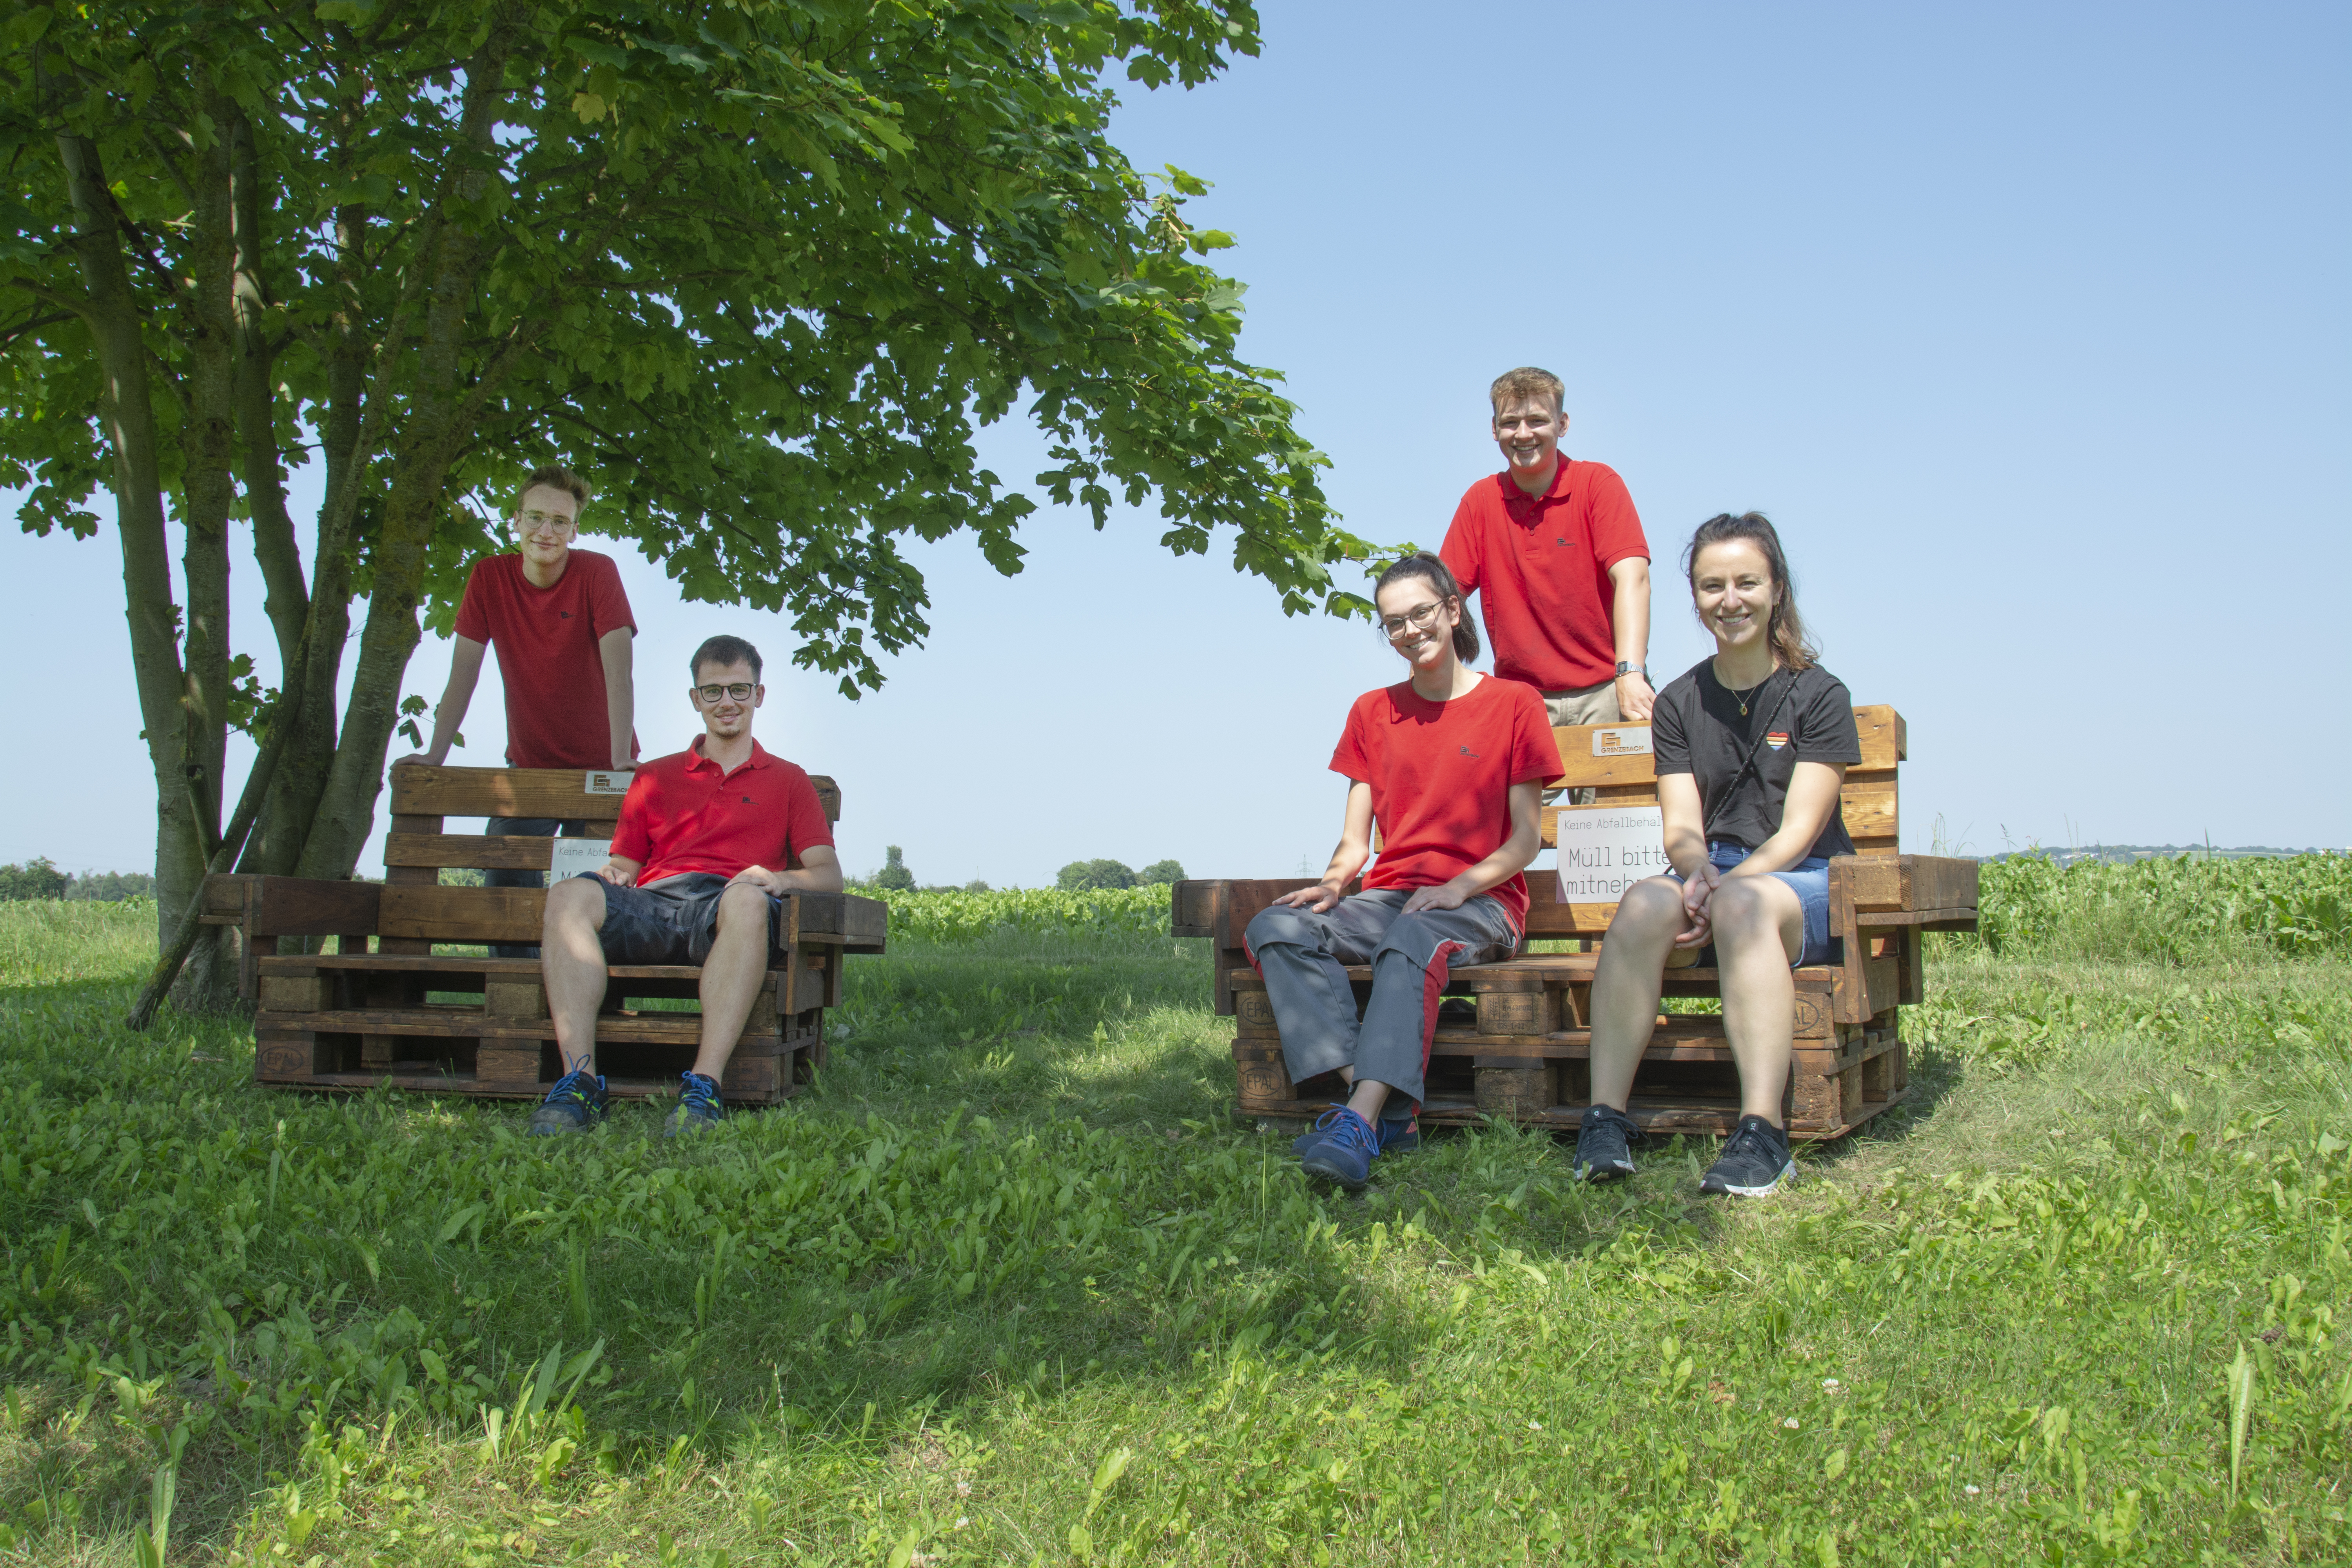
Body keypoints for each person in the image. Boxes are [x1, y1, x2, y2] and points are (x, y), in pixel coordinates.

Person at [1245, 554, 1563, 1190]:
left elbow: (1526, 839)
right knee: (1276, 927)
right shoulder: (1371, 712)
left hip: (1481, 903)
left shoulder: (1514, 704)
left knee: (1413, 936)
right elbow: (1354, 839)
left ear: (1452, 610)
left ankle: (1358, 1121)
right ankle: (1386, 1110)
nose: (1410, 631)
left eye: (1421, 613)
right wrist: (1335, 883)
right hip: (1391, 897)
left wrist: (1458, 886)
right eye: (1394, 623)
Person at [1573, 513, 1863, 1198]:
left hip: (1803, 881)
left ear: (1776, 589)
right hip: (1717, 875)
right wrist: (1697, 873)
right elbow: (1681, 827)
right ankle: (1604, 1120)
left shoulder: (1820, 696)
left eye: (1745, 583)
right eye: (1711, 586)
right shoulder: (1678, 702)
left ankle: (1763, 1134)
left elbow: (1798, 831)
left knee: (1742, 899)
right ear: (1696, 598)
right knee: (1646, 900)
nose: (1728, 600)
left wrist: (1723, 886)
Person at [527, 635, 843, 1138]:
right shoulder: (654, 777)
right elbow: (625, 864)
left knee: (747, 898)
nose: (727, 702)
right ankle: (579, 1082)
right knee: (569, 894)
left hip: (727, 907)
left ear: (760, 695)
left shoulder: (789, 779)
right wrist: (613, 875)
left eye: (740, 689)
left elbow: (828, 874)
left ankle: (704, 1086)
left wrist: (775, 877)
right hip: (655, 903)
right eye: (713, 691)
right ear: (695, 699)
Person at [397, 465, 638, 955]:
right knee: (504, 882)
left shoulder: (597, 573)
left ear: (575, 529)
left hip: (600, 768)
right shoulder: (489, 578)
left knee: (592, 894)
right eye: (535, 518)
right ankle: (519, 1004)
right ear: (516, 521)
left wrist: (620, 763)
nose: (546, 531)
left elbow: (619, 671)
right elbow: (464, 672)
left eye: (559, 521)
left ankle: (587, 1006)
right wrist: (434, 754)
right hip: (529, 768)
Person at [1440, 366, 1655, 728]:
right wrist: (1451, 682)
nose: (1523, 434)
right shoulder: (1480, 502)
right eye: (1510, 423)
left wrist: (1630, 673)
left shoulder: (1598, 484)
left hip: (1608, 689)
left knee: (1629, 783)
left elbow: (1633, 579)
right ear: (1494, 430)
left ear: (1563, 424)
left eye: (1537, 420)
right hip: (1522, 699)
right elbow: (1442, 600)